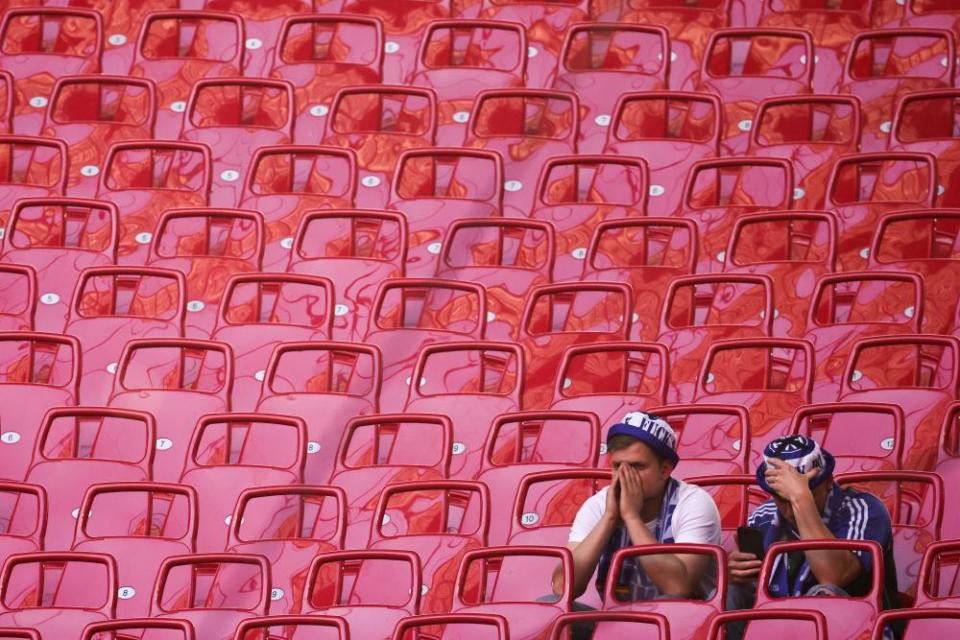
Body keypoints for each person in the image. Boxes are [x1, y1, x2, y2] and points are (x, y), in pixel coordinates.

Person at [727, 435, 899, 637]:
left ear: (828, 481)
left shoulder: (865, 509)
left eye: (806, 492)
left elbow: (833, 575)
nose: (790, 510)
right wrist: (735, 573)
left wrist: (801, 500)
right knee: (729, 592)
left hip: (855, 629)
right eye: (781, 498)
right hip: (777, 626)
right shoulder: (762, 516)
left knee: (824, 595)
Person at [550, 411, 722, 609]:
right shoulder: (598, 504)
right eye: (617, 466)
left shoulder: (694, 502)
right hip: (615, 620)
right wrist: (609, 517)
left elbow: (677, 587)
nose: (623, 476)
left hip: (680, 622)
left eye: (636, 466)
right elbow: (563, 587)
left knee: (669, 605)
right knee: (550, 606)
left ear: (665, 470)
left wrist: (632, 517)